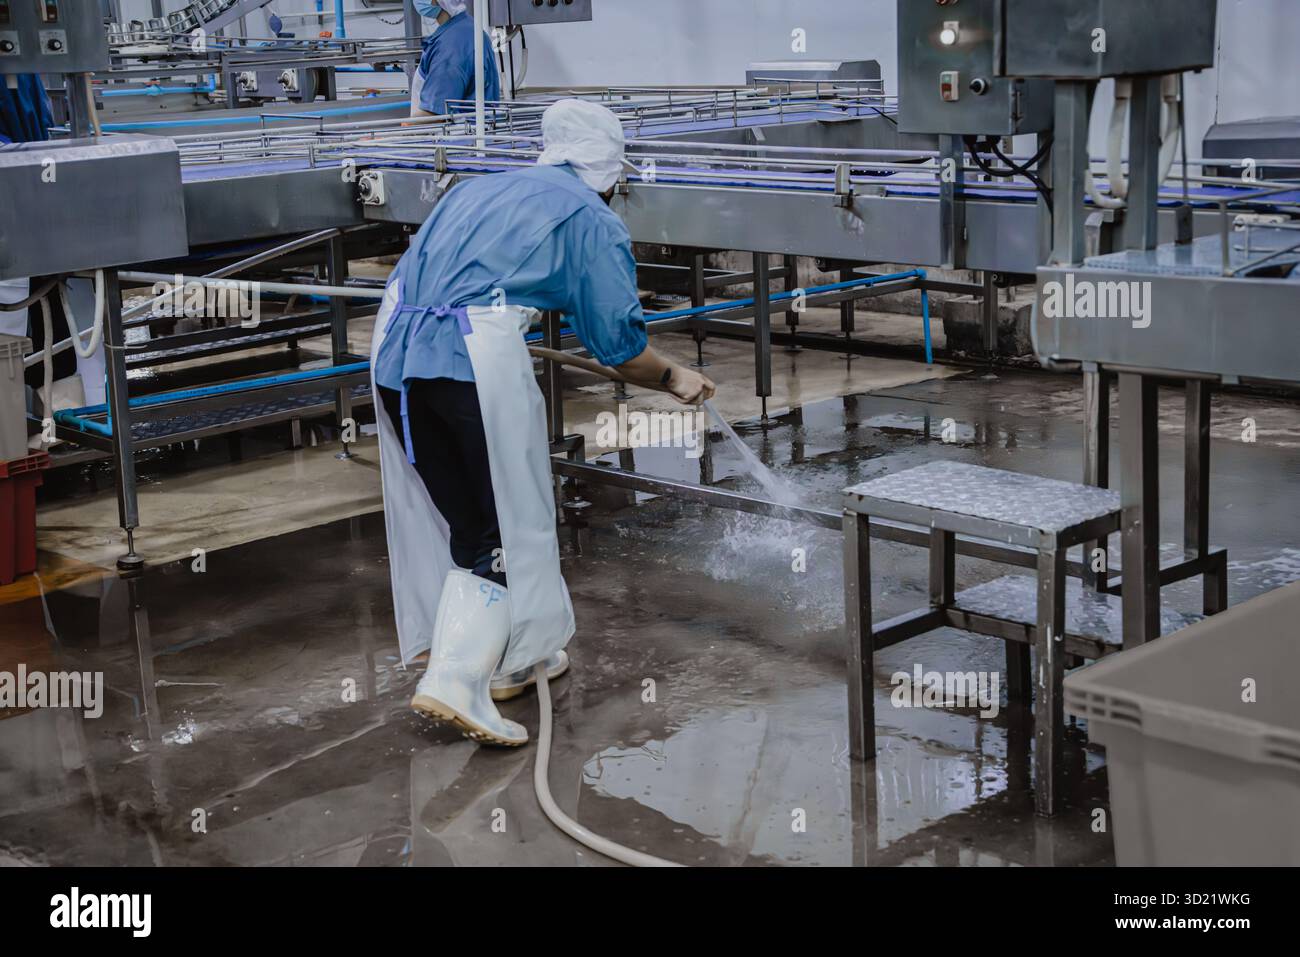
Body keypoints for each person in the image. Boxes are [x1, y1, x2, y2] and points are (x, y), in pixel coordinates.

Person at [371, 99, 715, 746]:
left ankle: (506, 661)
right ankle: (453, 680)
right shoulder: (591, 217)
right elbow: (618, 346)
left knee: (474, 521)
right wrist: (674, 377)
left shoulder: (475, 189)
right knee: (504, 524)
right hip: (469, 369)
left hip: (397, 363)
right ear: (610, 172)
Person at [409, 0, 501, 118]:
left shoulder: (452, 44)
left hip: (459, 134)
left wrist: (402, 132)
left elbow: (436, 114)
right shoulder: (465, 28)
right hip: (473, 131)